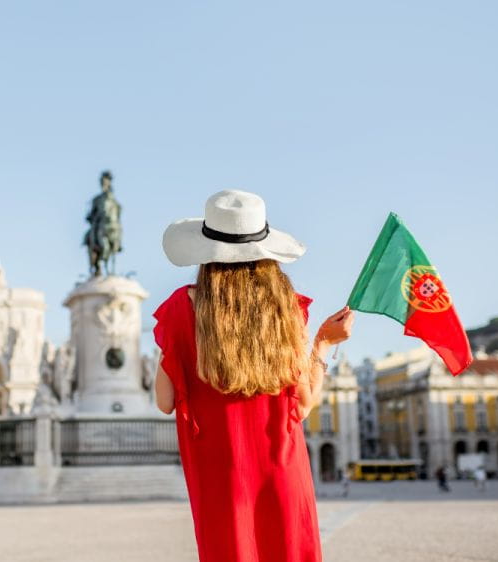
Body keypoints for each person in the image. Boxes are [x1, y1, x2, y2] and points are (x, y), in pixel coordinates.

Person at [152, 190, 354, 562]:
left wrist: (170, 343)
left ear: (206, 251)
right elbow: (303, 405)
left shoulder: (180, 308)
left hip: (221, 477)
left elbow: (165, 402)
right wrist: (323, 344)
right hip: (282, 467)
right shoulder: (287, 309)